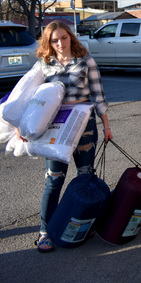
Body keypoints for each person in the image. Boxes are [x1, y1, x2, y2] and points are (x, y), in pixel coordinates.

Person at [32, 20, 113, 252]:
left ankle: (83, 226)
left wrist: (107, 126)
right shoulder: (44, 64)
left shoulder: (86, 60)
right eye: (54, 40)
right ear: (48, 42)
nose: (60, 43)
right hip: (55, 127)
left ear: (71, 37)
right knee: (54, 179)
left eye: (63, 38)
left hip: (83, 124)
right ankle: (45, 232)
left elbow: (98, 95)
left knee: (85, 178)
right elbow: (32, 98)